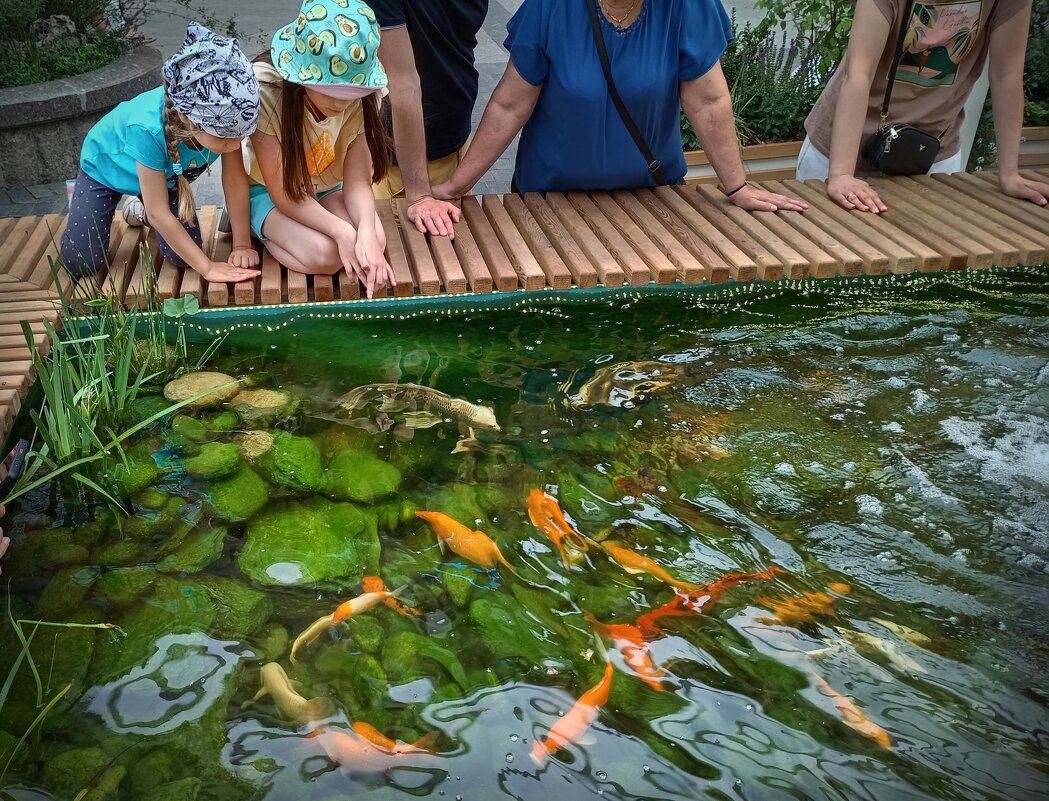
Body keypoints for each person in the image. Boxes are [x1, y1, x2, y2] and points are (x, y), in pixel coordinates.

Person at [433, 0, 804, 213]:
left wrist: (736, 186)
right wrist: (455, 187)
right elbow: (509, 105)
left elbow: (708, 101)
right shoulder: (551, 6)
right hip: (549, 204)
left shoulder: (687, 6)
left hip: (654, 202)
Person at [799, 0, 1049, 213]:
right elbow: (858, 74)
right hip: (841, 152)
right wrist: (842, 174)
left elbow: (1006, 75)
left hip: (930, 153)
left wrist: (1009, 174)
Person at [61, 24, 262, 283]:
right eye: (225, 138)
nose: (235, 145)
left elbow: (235, 182)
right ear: (186, 118)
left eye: (242, 135)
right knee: (83, 261)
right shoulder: (147, 128)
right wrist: (209, 268)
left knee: (181, 257)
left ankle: (138, 209)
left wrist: (242, 245)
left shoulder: (227, 129)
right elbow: (160, 212)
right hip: (104, 170)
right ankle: (84, 206)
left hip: (162, 181)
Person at [244, 0, 395, 297]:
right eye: (332, 91)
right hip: (271, 194)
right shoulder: (267, 91)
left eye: (352, 93)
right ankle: (257, 228)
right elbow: (285, 193)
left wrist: (363, 230)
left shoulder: (366, 99)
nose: (341, 103)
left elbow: (357, 182)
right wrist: (343, 232)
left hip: (326, 189)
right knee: (325, 257)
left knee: (374, 239)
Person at [369, 0, 489, 237]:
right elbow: (402, 83)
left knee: (462, 261)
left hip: (454, 145)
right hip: (394, 165)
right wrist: (420, 195)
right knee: (395, 262)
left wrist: (461, 179)